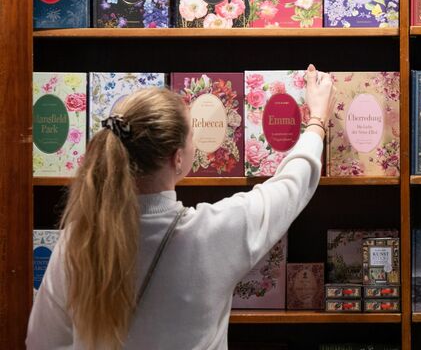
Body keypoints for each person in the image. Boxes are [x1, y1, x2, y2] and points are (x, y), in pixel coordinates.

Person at [27, 65, 335, 349]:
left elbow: (42, 342)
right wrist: (317, 120)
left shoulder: (77, 241)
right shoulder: (214, 233)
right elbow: (291, 186)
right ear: (178, 158)